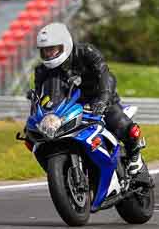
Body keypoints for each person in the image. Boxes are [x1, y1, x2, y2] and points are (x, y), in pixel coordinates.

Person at [33, 22, 149, 183]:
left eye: (52, 49)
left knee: (118, 122)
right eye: (45, 51)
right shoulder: (42, 71)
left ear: (65, 44)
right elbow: (39, 96)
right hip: (71, 107)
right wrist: (37, 117)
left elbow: (104, 74)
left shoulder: (86, 52)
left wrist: (103, 100)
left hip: (100, 98)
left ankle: (134, 153)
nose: (49, 54)